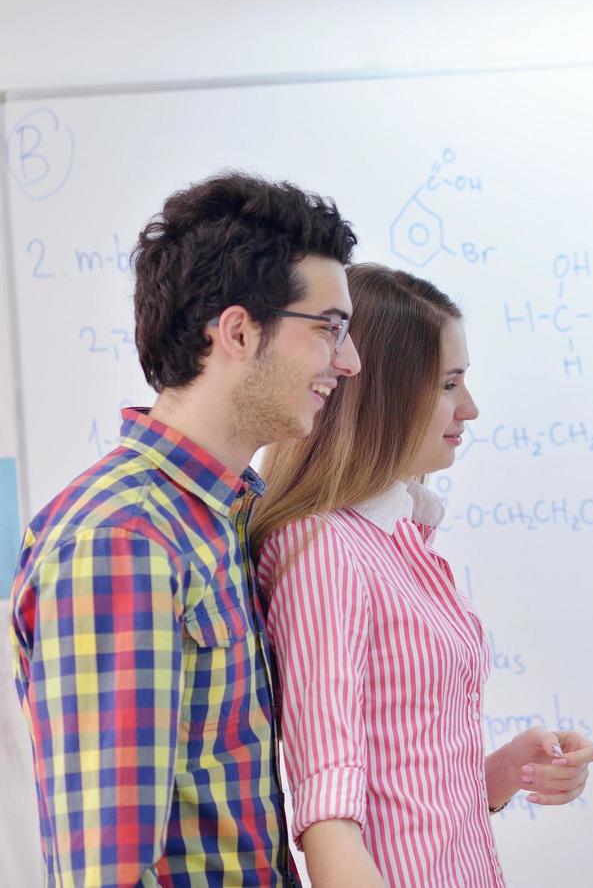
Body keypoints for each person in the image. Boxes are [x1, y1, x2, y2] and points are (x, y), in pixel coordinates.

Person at [10, 172, 361, 884]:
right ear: (237, 331)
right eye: (329, 329)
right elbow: (106, 869)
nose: (349, 362)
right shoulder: (124, 541)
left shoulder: (223, 518)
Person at [250, 264, 593, 887]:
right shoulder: (324, 546)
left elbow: (405, 783)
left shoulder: (399, 537)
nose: (470, 408)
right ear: (378, 391)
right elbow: (329, 801)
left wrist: (504, 771)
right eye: (448, 384)